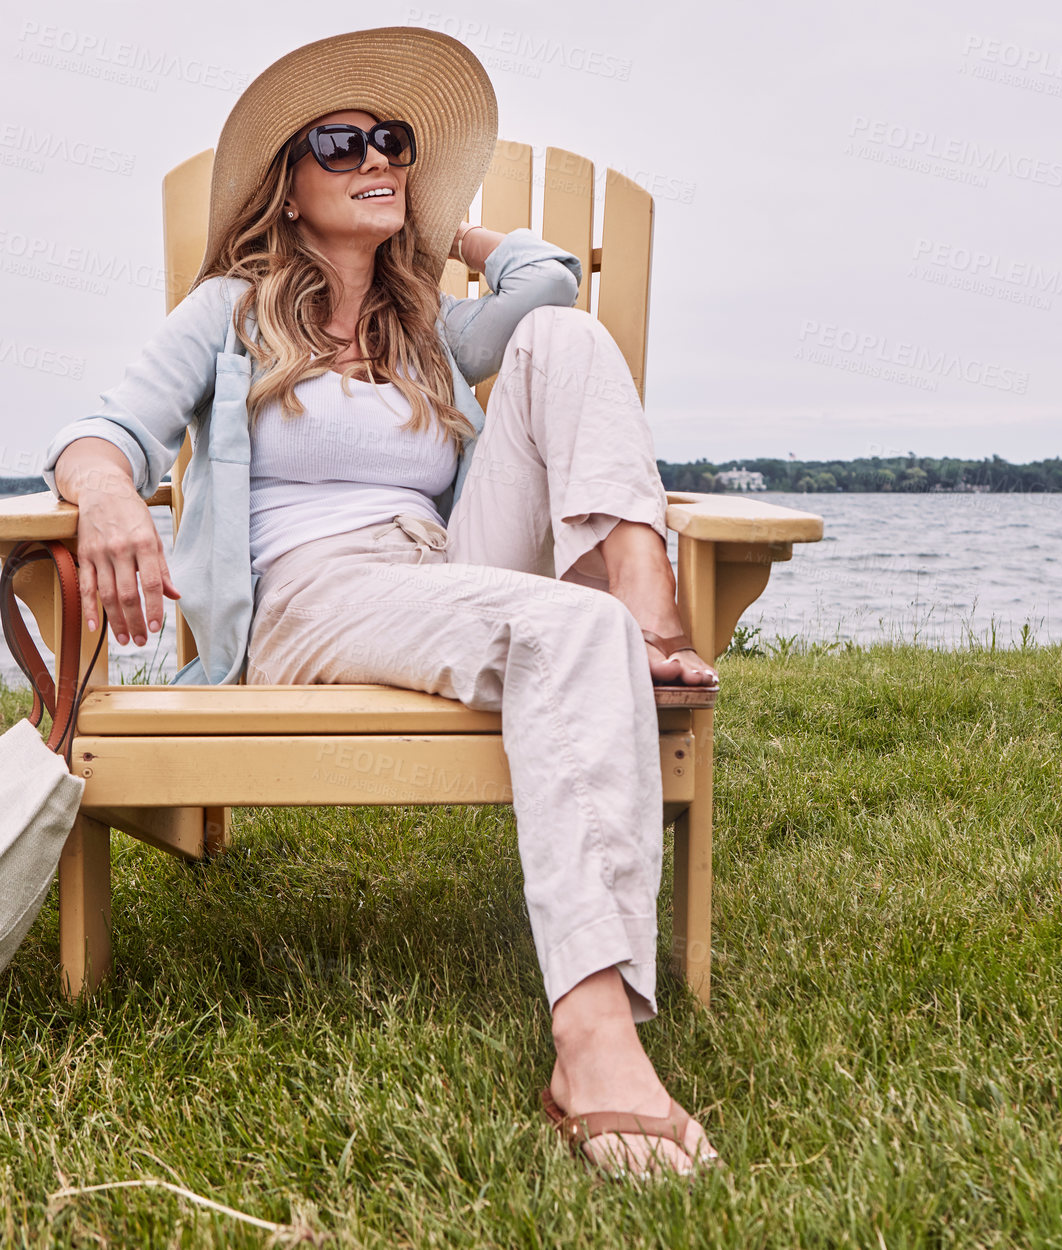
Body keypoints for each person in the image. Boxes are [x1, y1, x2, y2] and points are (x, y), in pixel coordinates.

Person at [38, 26, 717, 1178]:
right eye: (342, 143)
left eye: (394, 142)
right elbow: (98, 433)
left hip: (440, 563)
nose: (379, 157)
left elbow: (544, 280)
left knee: (562, 333)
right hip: (313, 592)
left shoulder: (424, 333)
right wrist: (108, 498)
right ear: (287, 190)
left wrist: (446, 222)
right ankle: (593, 1041)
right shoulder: (232, 310)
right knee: (570, 625)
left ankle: (646, 609)